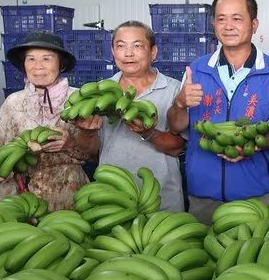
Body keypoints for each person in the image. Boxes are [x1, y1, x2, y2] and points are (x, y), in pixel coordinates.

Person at [167, 0, 269, 224]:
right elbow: (176, 127)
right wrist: (180, 103)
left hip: (256, 195)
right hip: (203, 194)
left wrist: (251, 147)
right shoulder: (196, 70)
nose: (228, 26)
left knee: (255, 256)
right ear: (214, 24)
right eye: (221, 19)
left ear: (254, 24)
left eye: (237, 18)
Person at [73, 21, 185, 212]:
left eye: (137, 46)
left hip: (162, 198)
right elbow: (91, 154)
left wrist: (149, 133)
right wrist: (86, 132)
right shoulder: (100, 93)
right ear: (113, 52)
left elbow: (179, 148)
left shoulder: (175, 90)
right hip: (112, 196)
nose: (128, 53)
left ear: (153, 52)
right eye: (121, 46)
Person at [0, 32, 89, 210]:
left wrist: (70, 144)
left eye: (47, 59)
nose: (38, 67)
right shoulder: (13, 102)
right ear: (23, 64)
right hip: (20, 195)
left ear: (61, 64)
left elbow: (93, 152)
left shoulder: (79, 100)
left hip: (68, 194)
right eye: (31, 59)